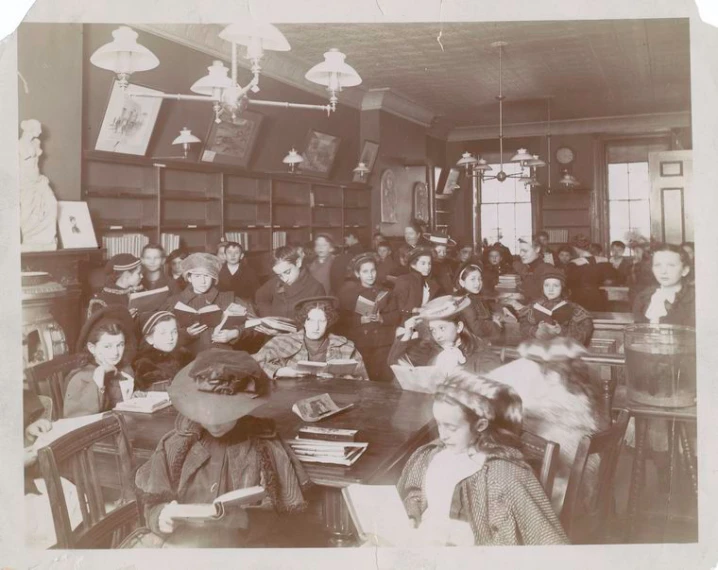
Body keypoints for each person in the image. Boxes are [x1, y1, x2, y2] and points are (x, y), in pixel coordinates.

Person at [133, 349, 311, 548]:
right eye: (206, 414)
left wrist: (243, 519)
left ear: (242, 408)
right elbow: (153, 503)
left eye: (224, 415)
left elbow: (281, 520)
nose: (215, 424)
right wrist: (161, 517)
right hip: (184, 546)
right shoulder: (176, 444)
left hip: (241, 551)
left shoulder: (264, 447)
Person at [396, 370, 569, 546]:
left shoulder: (502, 474)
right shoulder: (433, 454)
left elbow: (546, 539)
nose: (443, 435)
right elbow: (415, 492)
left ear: (480, 425)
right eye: (439, 424)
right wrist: (412, 514)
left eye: (451, 427)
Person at [253, 296, 369, 380]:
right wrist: (279, 371)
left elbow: (363, 379)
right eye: (311, 320)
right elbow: (254, 362)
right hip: (291, 398)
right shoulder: (282, 342)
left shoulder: (345, 347)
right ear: (304, 321)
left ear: (328, 322)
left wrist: (349, 380)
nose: (316, 326)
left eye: (322, 321)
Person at [388, 295, 502, 377]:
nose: (438, 335)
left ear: (459, 327)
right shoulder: (430, 349)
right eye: (433, 330)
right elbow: (395, 365)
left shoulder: (480, 352)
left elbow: (492, 389)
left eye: (442, 328)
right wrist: (407, 335)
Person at [165, 252, 253, 356]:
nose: (203, 281)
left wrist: (235, 333)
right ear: (189, 278)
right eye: (197, 276)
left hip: (222, 358)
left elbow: (254, 324)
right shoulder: (174, 302)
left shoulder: (228, 299)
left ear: (214, 278)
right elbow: (161, 334)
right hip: (186, 359)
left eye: (207, 276)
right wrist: (185, 334)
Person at [337, 254, 401, 382]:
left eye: (373, 270)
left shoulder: (386, 292)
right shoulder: (349, 294)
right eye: (365, 271)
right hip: (361, 344)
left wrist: (382, 318)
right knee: (365, 380)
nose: (370, 275)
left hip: (383, 344)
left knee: (384, 380)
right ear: (357, 274)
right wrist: (360, 320)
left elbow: (396, 315)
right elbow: (340, 321)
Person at [64, 306, 137, 418]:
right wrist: (99, 378)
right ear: (92, 348)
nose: (115, 352)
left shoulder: (124, 370)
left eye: (120, 345)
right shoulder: (82, 378)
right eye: (107, 346)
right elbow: (78, 419)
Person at [519, 268, 594, 346]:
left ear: (562, 287)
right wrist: (536, 331)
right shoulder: (534, 306)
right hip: (538, 349)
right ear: (542, 287)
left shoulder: (573, 308)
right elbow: (523, 326)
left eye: (555, 285)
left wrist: (561, 331)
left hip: (563, 351)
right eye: (547, 285)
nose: (550, 289)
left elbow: (585, 330)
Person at [632, 243, 695, 327]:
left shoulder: (695, 299)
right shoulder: (643, 297)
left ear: (685, 270)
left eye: (671, 265)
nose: (663, 271)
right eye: (658, 265)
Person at [255, 245, 325, 319]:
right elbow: (260, 296)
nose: (284, 279)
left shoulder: (315, 288)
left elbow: (319, 320)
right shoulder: (275, 281)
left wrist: (302, 330)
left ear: (298, 263)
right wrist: (268, 317)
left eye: (287, 272)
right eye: (279, 275)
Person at [132, 311, 193, 392]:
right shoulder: (145, 364)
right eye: (163, 333)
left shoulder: (183, 354)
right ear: (149, 339)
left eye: (174, 332)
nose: (170, 337)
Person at [455, 263, 502, 343]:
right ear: (462, 282)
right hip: (473, 342)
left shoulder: (473, 296)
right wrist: (495, 325)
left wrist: (492, 317)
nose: (477, 283)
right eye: (473, 279)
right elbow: (475, 328)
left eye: (480, 279)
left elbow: (482, 315)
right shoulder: (465, 301)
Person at [392, 246, 441, 321]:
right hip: (407, 323)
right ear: (413, 265)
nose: (427, 267)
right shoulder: (404, 280)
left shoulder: (431, 282)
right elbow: (399, 308)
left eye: (429, 263)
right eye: (423, 263)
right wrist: (417, 310)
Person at [87, 253, 143, 318]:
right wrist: (125, 319)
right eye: (139, 273)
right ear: (126, 274)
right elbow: (101, 327)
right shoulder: (100, 302)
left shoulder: (138, 293)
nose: (142, 276)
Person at [563, 234, 610, 312]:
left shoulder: (573, 264)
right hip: (598, 297)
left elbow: (568, 283)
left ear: (575, 249)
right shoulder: (603, 261)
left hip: (579, 300)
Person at [509, 237, 552, 314]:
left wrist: (524, 307)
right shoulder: (527, 268)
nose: (521, 254)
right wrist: (521, 296)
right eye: (520, 250)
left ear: (537, 249)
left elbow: (549, 300)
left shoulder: (546, 270)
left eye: (525, 251)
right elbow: (532, 294)